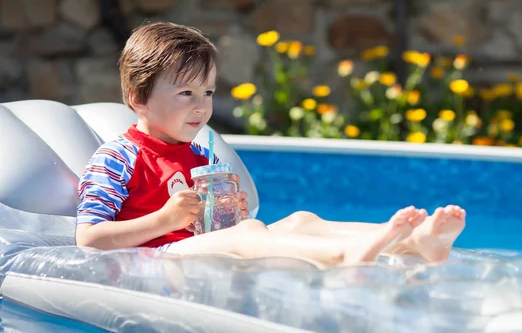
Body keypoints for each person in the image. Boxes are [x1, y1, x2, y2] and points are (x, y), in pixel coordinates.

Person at [75, 21, 466, 267]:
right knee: (248, 235)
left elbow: (213, 230)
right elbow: (89, 239)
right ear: (138, 97)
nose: (202, 107)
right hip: (154, 259)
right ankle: (344, 257)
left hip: (198, 248)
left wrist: (228, 214)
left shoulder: (200, 155)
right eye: (185, 94)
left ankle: (412, 244)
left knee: (301, 220)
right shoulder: (119, 157)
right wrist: (164, 220)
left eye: (208, 92)